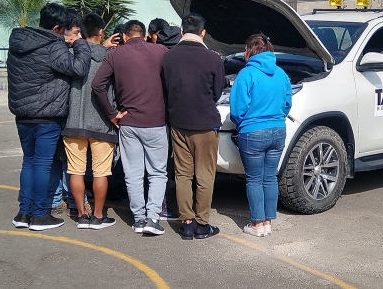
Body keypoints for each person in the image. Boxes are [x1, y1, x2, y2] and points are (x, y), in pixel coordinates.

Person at [8, 3, 90, 231]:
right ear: (56, 27)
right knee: (43, 164)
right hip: (47, 115)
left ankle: (23, 213)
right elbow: (78, 68)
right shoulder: (53, 46)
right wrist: (81, 43)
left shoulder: (18, 42)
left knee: (29, 162)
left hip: (23, 115)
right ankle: (40, 215)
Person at [92, 20, 169, 235]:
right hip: (156, 121)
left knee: (133, 173)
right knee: (157, 172)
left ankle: (138, 219)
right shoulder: (161, 51)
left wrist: (112, 114)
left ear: (124, 36)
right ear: (144, 35)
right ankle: (153, 219)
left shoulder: (116, 55)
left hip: (128, 122)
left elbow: (97, 85)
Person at [162, 13, 225, 240]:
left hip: (178, 123)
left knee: (182, 174)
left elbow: (166, 90)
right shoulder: (213, 58)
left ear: (181, 32)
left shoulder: (168, 57)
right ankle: (202, 224)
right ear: (203, 33)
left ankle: (186, 223)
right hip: (206, 124)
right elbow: (217, 92)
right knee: (205, 175)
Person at [230, 33, 292, 237]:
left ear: (248, 51)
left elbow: (238, 109)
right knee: (270, 177)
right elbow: (287, 104)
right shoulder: (281, 74)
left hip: (253, 132)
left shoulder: (246, 75)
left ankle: (257, 223)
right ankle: (268, 222)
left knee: (254, 179)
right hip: (278, 130)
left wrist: (243, 124)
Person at [62, 13, 119, 229]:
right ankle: (98, 216)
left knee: (75, 170)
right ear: (101, 31)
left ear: (81, 32)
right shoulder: (110, 57)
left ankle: (82, 215)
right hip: (102, 123)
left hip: (73, 121)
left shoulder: (70, 55)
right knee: (101, 172)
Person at [47, 9, 89, 217]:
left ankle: (59, 199)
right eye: (76, 32)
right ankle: (72, 200)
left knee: (62, 160)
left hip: (56, 113)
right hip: (62, 114)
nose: (79, 37)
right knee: (67, 162)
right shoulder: (65, 53)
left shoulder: (50, 50)